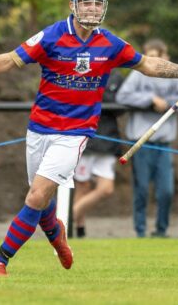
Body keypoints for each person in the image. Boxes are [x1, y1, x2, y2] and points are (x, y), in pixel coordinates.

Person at [0, 0, 178, 277]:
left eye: (98, 3)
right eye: (86, 3)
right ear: (73, 6)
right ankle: (57, 236)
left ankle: (0, 260)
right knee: (40, 199)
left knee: (35, 197)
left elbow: (148, 64)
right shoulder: (51, 36)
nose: (93, 8)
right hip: (39, 129)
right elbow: (10, 60)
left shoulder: (110, 44)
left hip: (75, 133)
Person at [116, 39, 178, 238]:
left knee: (166, 190)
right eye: (150, 56)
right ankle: (140, 231)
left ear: (166, 58)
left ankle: (161, 230)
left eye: (159, 56)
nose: (155, 60)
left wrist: (168, 104)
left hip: (164, 144)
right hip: (142, 143)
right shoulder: (137, 74)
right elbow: (122, 96)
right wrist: (149, 100)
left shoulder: (173, 76)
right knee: (141, 189)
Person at [72, 70, 124, 238]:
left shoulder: (117, 77)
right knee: (82, 185)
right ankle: (78, 228)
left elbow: (120, 106)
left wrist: (98, 92)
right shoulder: (81, 69)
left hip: (107, 139)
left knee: (106, 189)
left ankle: (67, 217)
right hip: (83, 136)